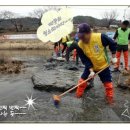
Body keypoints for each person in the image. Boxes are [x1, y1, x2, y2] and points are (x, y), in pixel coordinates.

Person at [75, 23, 117, 104]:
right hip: (90, 66)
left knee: (108, 86)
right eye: (80, 37)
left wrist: (113, 56)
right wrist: (91, 70)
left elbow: (112, 43)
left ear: (89, 33)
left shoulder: (100, 37)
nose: (82, 39)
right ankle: (77, 97)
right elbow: (84, 59)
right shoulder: (80, 45)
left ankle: (110, 101)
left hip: (103, 66)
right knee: (82, 82)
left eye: (83, 37)